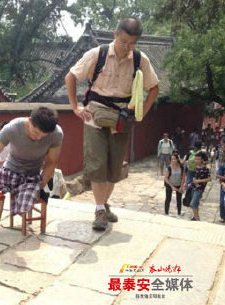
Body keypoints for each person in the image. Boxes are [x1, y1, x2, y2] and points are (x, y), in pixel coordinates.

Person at [65, 17, 159, 231]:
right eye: (124, 41)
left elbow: (154, 87)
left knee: (114, 169)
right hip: (94, 116)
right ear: (115, 35)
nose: (127, 47)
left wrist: (142, 111)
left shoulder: (139, 59)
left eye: (132, 43)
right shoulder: (96, 55)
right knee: (97, 166)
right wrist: (75, 107)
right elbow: (70, 77)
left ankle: (104, 205)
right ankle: (99, 210)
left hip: (122, 118)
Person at [0, 107, 63, 217]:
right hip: (10, 171)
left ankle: (25, 197)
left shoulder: (56, 134)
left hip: (32, 175)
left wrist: (41, 186)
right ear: (30, 120)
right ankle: (18, 194)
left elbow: (52, 161)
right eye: (36, 133)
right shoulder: (13, 128)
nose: (38, 138)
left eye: (43, 136)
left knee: (25, 205)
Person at [189, 152, 211, 221]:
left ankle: (197, 218)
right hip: (193, 187)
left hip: (199, 189)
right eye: (195, 159)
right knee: (195, 203)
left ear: (202, 160)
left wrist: (199, 181)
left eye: (198, 159)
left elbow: (209, 179)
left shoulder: (205, 169)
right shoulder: (195, 167)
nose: (196, 161)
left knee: (193, 203)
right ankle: (195, 216)